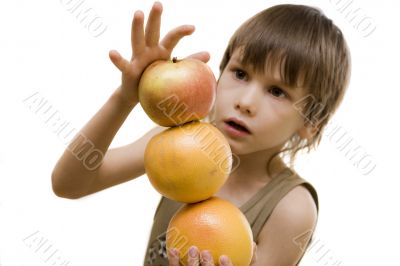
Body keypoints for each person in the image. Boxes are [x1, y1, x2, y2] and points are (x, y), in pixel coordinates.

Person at [51, 1, 351, 265]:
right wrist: (124, 99)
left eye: (277, 91)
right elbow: (70, 183)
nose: (245, 102)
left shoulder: (291, 208)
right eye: (240, 73)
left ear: (311, 122)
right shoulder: (180, 141)